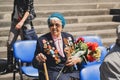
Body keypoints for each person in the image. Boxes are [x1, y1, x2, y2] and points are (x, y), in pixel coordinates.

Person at [32, 12, 83, 80]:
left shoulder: (69, 37)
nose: (54, 27)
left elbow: (77, 55)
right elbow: (34, 63)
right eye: (51, 25)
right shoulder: (42, 40)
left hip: (71, 71)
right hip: (54, 73)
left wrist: (77, 60)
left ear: (62, 26)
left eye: (57, 25)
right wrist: (38, 59)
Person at [7, 0, 36, 72]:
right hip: (15, 20)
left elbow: (28, 9)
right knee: (10, 42)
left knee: (27, 43)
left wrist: (22, 22)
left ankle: (26, 65)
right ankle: (10, 66)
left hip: (25, 21)